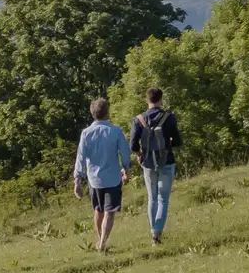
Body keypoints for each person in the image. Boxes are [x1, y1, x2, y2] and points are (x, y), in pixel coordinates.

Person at [73, 97, 132, 252]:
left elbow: (80, 156)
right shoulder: (115, 131)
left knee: (98, 210)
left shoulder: (86, 133)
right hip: (112, 177)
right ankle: (103, 243)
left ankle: (100, 240)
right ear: (107, 113)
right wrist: (126, 168)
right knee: (109, 212)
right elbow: (125, 153)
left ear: (93, 114)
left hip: (94, 179)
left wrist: (77, 180)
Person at [130, 87, 181, 245]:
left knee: (152, 198)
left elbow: (133, 145)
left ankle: (153, 232)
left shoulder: (138, 120)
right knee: (163, 199)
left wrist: (140, 155)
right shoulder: (169, 117)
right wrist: (169, 143)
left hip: (148, 164)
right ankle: (157, 234)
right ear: (161, 99)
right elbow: (178, 141)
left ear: (147, 100)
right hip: (166, 161)